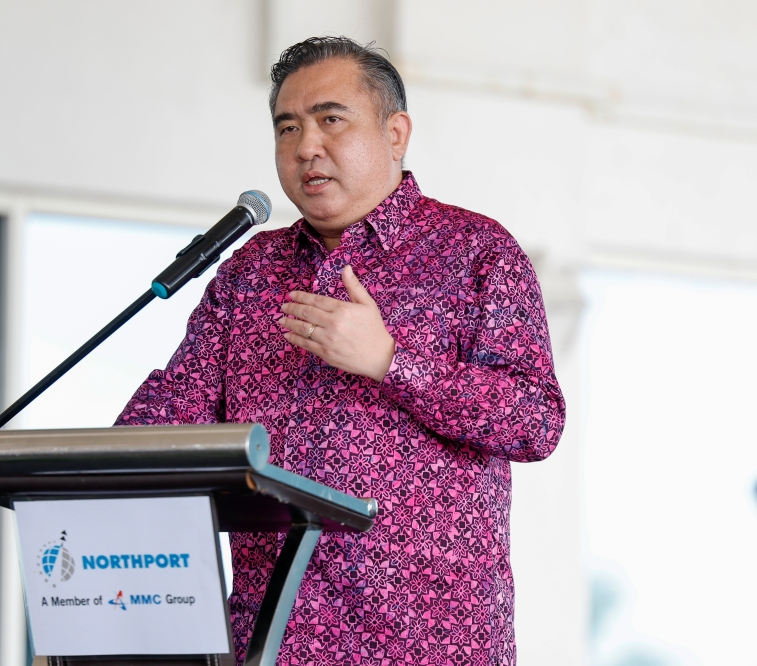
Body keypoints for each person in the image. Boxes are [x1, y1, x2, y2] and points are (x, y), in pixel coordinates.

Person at [116, 36, 565, 666]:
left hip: (426, 644)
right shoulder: (251, 272)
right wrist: (88, 466)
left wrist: (390, 360)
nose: (306, 147)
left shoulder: (476, 252)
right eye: (287, 127)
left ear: (396, 133)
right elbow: (171, 415)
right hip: (272, 641)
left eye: (331, 119)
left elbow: (536, 420)